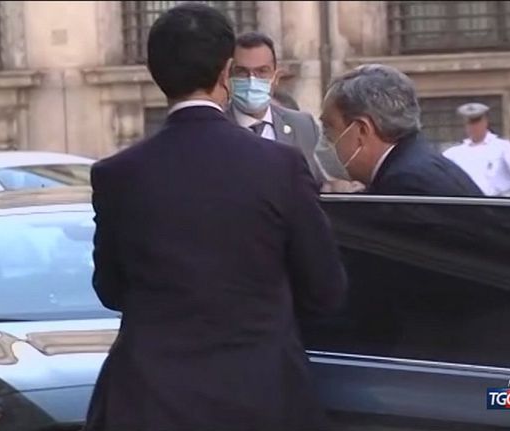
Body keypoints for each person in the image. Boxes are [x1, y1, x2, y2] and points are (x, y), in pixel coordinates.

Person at [84, 4, 347, 431]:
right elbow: (325, 289)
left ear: (155, 73)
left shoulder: (118, 175)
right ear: (226, 73)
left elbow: (111, 289)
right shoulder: (279, 166)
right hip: (261, 396)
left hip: (149, 401)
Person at [314, 64, 483, 196]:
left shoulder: (405, 183)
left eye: (328, 128)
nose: (324, 140)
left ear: (362, 130)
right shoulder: (415, 164)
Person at [228, 31, 325, 182]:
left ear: (276, 76)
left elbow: (320, 181)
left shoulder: (304, 126)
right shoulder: (215, 126)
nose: (252, 80)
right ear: (228, 75)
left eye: (262, 71)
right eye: (242, 72)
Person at [442, 103, 510, 196]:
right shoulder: (455, 153)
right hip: (469, 201)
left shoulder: (502, 146)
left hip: (499, 201)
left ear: (485, 122)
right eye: (469, 123)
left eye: (477, 121)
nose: (473, 126)